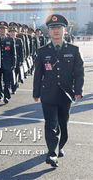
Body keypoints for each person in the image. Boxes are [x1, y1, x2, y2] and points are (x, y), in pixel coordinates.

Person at [33, 14, 84, 168]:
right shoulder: (42, 51)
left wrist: (78, 90)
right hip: (48, 94)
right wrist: (36, 93)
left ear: (65, 30)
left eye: (59, 28)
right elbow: (38, 74)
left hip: (66, 94)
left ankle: (59, 146)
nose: (56, 31)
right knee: (51, 124)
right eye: (52, 28)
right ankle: (52, 153)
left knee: (63, 124)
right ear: (48, 31)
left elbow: (79, 73)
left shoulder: (73, 50)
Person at [0, 21, 16, 104]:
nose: (2, 30)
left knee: (7, 81)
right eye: (0, 29)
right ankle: (0, 95)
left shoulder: (10, 40)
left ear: (7, 30)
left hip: (7, 64)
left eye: (4, 29)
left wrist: (13, 64)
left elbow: (13, 53)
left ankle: (6, 96)